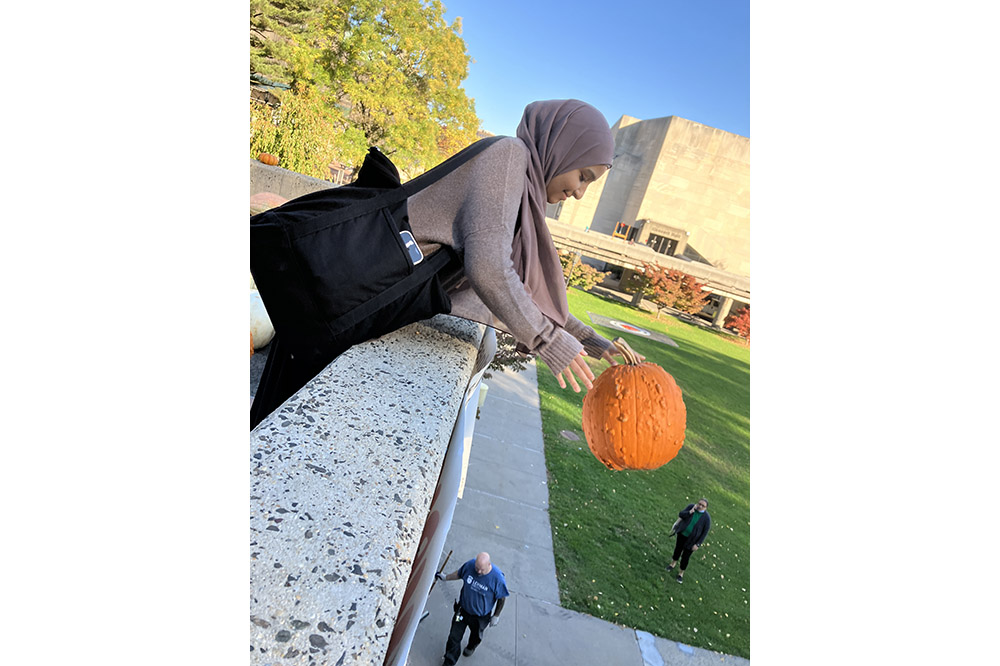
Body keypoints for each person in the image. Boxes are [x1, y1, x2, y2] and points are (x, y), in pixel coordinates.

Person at [251, 99, 626, 429]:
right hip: (347, 296)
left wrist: (592, 341)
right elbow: (490, 268)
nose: (579, 193)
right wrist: (547, 340)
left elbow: (521, 290)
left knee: (279, 413)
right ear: (562, 146)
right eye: (583, 176)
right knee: (276, 422)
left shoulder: (521, 190)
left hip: (357, 301)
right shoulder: (510, 157)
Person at [435, 552, 508, 664]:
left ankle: (471, 646)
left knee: (476, 635)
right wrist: (446, 577)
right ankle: (449, 662)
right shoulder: (470, 565)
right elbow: (459, 574)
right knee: (454, 637)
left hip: (480, 617)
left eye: (481, 570)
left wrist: (496, 615)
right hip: (462, 612)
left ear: (489, 565)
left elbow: (502, 598)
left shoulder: (497, 579)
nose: (478, 572)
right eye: (477, 568)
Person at [666, 498, 711, 584]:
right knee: (677, 550)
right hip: (682, 535)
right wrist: (690, 512)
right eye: (699, 504)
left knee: (685, 557)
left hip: (692, 541)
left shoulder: (706, 518)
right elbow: (681, 514)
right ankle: (672, 564)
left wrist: (698, 544)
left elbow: (704, 533)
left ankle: (681, 573)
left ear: (706, 508)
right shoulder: (691, 507)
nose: (700, 506)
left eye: (703, 506)